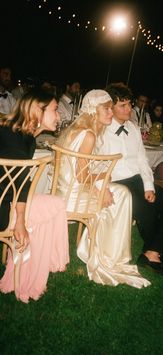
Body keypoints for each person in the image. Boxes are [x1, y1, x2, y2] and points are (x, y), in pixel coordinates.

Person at [55, 89, 150, 288]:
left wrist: (103, 184)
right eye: (106, 109)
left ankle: (111, 252)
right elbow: (82, 176)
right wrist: (103, 183)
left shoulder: (89, 131)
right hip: (74, 195)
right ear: (92, 112)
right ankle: (108, 256)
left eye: (110, 108)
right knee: (121, 195)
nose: (110, 112)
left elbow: (85, 171)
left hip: (73, 188)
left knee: (122, 193)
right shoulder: (89, 135)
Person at [96, 83, 163, 277]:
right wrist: (103, 188)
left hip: (137, 179)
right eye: (123, 106)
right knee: (147, 211)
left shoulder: (134, 128)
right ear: (110, 107)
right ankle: (153, 254)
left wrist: (148, 186)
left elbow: (143, 160)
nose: (129, 109)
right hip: (117, 183)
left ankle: (151, 251)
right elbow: (97, 165)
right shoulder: (102, 131)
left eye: (129, 104)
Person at [0, 89, 70, 303]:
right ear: (36, 110)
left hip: (6, 198)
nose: (59, 116)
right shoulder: (10, 134)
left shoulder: (25, 137)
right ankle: (27, 274)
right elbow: (20, 182)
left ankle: (38, 266)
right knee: (52, 206)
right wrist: (20, 221)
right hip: (2, 206)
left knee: (54, 204)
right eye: (55, 110)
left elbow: (18, 182)